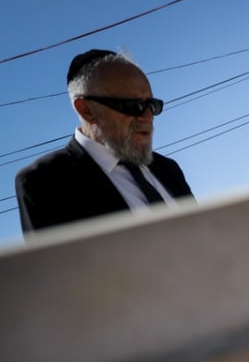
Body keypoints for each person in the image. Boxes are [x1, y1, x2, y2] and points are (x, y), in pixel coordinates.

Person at [15, 49, 192, 233]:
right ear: (86, 110)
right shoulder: (45, 183)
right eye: (134, 106)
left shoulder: (168, 169)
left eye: (152, 105)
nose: (147, 117)